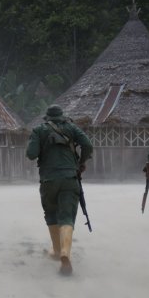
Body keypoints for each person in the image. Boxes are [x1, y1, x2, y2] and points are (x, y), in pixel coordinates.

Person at [26, 105, 93, 276]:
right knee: (67, 218)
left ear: (47, 117)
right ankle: (65, 252)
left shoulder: (39, 130)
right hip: (70, 179)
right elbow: (87, 144)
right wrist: (81, 162)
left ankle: (56, 251)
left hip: (49, 180)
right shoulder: (72, 128)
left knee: (51, 215)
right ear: (62, 116)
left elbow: (31, 154)